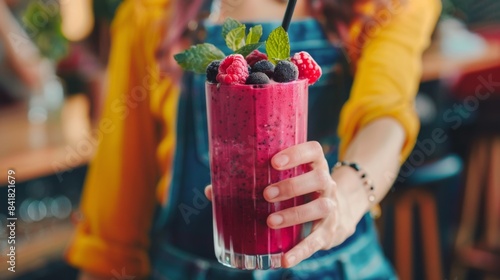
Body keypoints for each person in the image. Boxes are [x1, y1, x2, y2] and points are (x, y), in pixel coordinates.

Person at [66, 0, 441, 279]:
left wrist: (346, 195)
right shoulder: (152, 12)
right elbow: (117, 199)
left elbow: (385, 114)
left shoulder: (384, 6)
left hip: (340, 267)